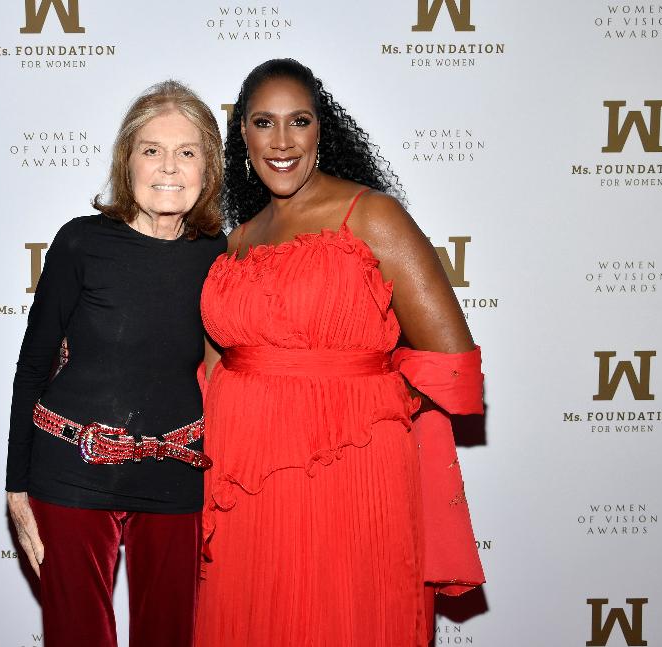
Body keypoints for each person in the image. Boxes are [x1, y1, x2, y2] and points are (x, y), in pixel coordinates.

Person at [196, 59, 485, 646]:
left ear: (320, 131)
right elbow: (211, 370)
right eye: (263, 122)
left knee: (342, 619)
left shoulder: (370, 215)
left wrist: (353, 396)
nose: (281, 141)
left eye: (298, 121)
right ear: (242, 135)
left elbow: (452, 361)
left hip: (348, 469)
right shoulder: (237, 239)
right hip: (244, 478)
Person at [5, 80, 226, 647]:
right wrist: (17, 486)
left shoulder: (220, 254)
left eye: (187, 151)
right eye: (151, 150)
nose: (169, 167)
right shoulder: (80, 243)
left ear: (210, 165)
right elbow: (32, 366)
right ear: (127, 163)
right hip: (72, 467)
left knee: (170, 635)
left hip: (177, 471)